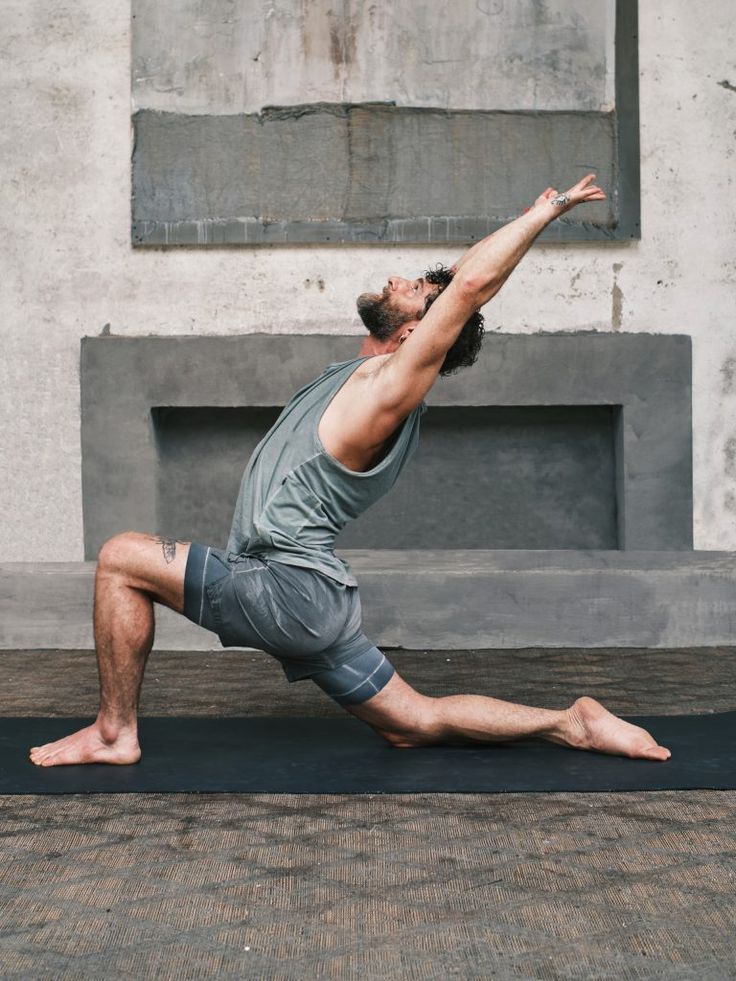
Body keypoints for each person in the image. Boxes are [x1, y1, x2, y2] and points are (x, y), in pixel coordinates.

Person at [30, 174, 671, 767]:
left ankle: (115, 732)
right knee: (413, 721)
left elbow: (468, 288)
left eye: (412, 292)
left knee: (121, 558)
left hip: (284, 587)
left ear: (419, 331)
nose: (396, 279)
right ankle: (573, 723)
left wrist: (546, 213)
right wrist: (497, 237)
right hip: (312, 599)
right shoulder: (369, 375)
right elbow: (457, 276)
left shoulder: (389, 389)